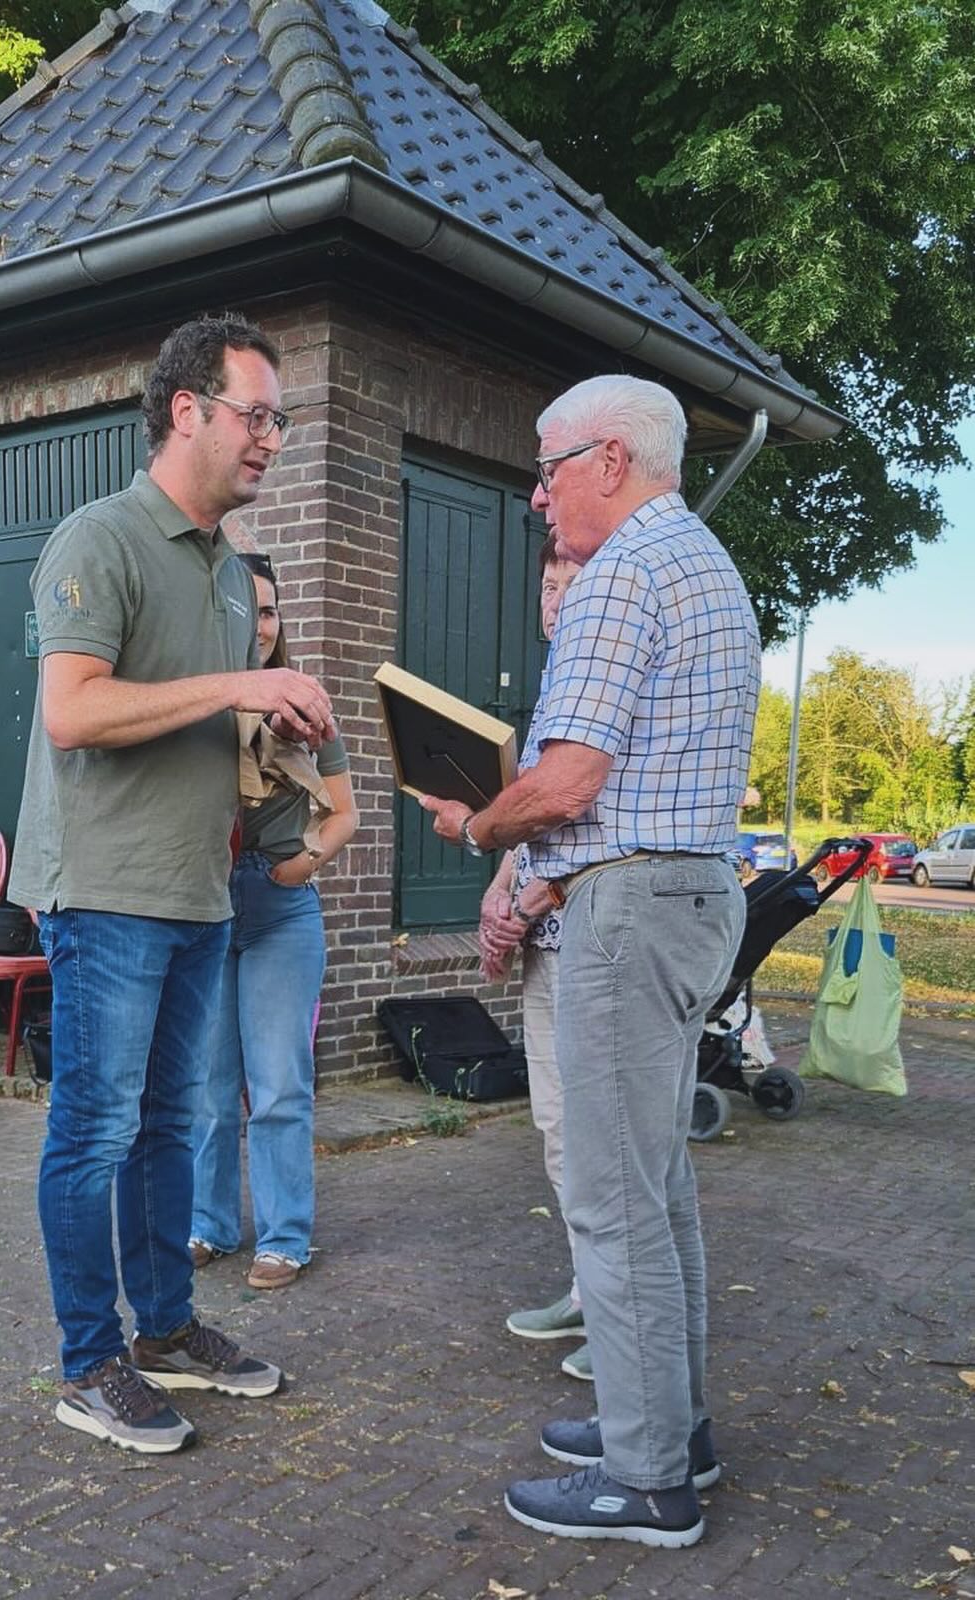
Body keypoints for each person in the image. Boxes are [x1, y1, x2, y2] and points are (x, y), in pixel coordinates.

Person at [420, 373, 760, 1547]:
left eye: (547, 466)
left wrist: (475, 824)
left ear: (609, 459)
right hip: (687, 896)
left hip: (625, 914)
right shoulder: (701, 562)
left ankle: (646, 1475)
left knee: (613, 1206)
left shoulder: (623, 572)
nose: (535, 493)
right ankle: (669, 1424)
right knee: (658, 1191)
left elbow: (572, 781)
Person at [8, 315, 335, 1455]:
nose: (273, 440)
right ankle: (88, 1360)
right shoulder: (98, 538)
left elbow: (212, 728)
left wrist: (284, 731)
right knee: (93, 1129)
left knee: (171, 1123)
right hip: (104, 893)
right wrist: (240, 681)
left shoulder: (235, 578)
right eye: (258, 415)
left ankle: (166, 1329)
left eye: (281, 420)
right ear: (186, 408)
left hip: (205, 891)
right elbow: (74, 712)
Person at [190, 551, 358, 1289]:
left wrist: (302, 862)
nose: (258, 624)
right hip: (205, 902)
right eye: (244, 607)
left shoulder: (308, 709)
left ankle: (285, 1236)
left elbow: (347, 813)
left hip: (280, 907)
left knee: (280, 1083)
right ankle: (210, 1223)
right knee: (208, 1083)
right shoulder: (195, 700)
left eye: (269, 609)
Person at [479, 537, 588, 1358]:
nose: (553, 598)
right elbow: (540, 819)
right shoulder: (555, 689)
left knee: (605, 1136)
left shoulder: (615, 684)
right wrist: (501, 884)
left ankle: (623, 1326)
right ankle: (593, 1291)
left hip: (599, 944)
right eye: (546, 583)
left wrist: (535, 894)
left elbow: (612, 827)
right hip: (548, 949)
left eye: (571, 582)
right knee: (556, 1125)